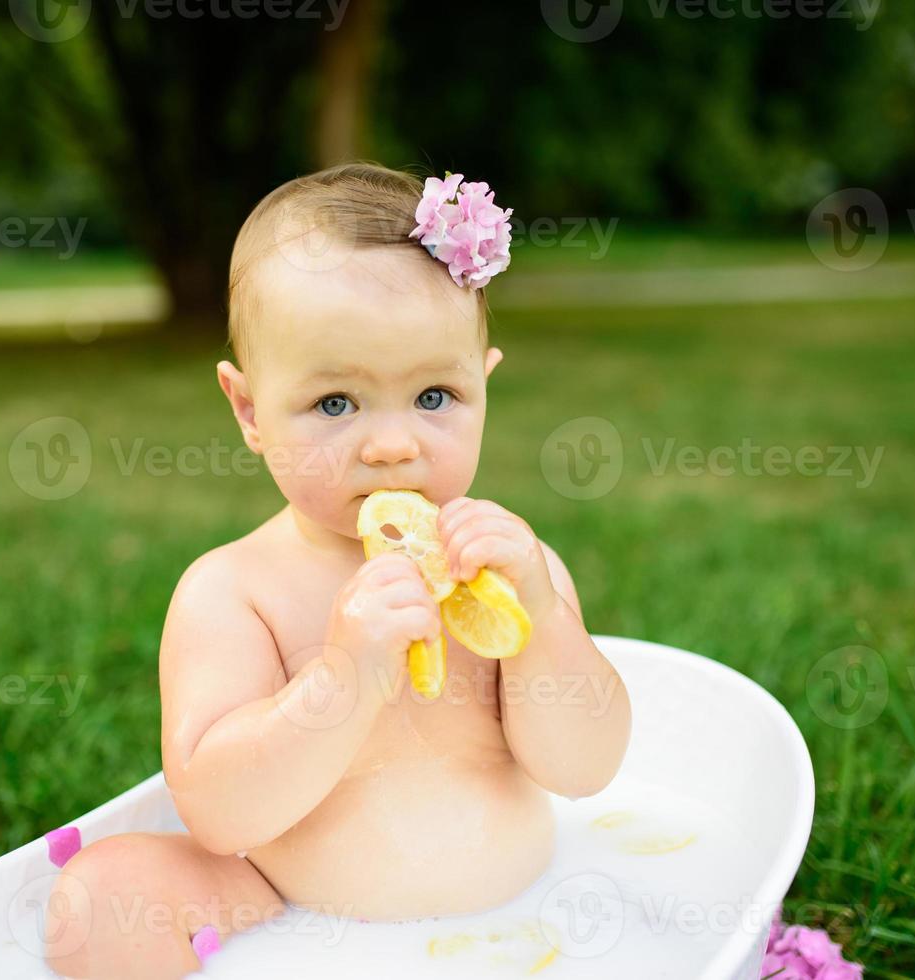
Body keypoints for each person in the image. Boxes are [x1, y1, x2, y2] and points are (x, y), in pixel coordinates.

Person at [45, 161, 632, 979]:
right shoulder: (234, 591)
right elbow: (217, 811)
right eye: (334, 404)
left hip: (524, 927)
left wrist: (540, 622)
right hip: (296, 919)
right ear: (249, 410)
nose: (393, 444)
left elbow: (586, 768)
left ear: (484, 386)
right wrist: (346, 675)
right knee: (99, 902)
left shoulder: (508, 569)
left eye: (434, 397)